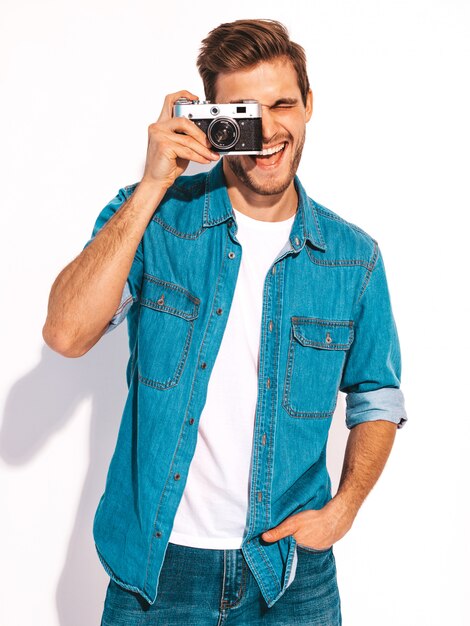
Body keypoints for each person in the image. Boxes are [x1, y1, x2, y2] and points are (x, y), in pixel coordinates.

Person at [42, 18, 407, 626]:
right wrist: (153, 184)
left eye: (282, 104)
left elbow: (379, 395)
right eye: (245, 112)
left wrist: (345, 508)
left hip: (289, 576)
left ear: (309, 106)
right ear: (211, 119)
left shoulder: (354, 258)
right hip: (157, 571)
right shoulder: (155, 221)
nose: (266, 132)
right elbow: (65, 333)